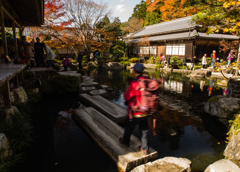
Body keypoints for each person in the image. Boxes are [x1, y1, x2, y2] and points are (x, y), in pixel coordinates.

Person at [119, 63, 149, 155]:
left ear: (135, 71)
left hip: (135, 112)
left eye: (133, 70)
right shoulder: (147, 81)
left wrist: (126, 96)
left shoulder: (135, 82)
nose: (132, 71)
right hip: (145, 111)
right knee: (144, 131)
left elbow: (127, 97)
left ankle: (126, 142)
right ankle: (144, 148)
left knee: (129, 127)